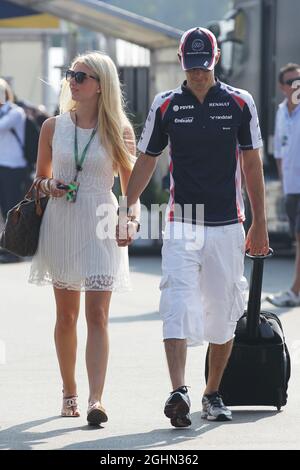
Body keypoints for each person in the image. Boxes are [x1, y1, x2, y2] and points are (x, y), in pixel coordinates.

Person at [118, 27, 269, 427]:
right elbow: (146, 159)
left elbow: (252, 164)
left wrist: (260, 226)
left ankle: (212, 391)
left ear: (215, 61)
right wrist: (124, 210)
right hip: (182, 223)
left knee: (222, 311)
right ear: (183, 64)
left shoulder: (240, 102)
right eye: (191, 66)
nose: (198, 73)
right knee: (176, 304)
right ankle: (178, 390)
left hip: (228, 225)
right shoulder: (166, 104)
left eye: (204, 66)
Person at [29, 51, 140, 425]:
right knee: (67, 315)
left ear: (100, 86)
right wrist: (50, 185)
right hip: (62, 222)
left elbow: (132, 190)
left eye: (81, 76)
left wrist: (132, 220)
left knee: (98, 314)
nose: (72, 82)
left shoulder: (120, 131)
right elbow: (38, 180)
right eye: (70, 75)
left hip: (101, 222)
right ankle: (69, 391)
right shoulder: (52, 126)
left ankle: (96, 399)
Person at [266, 63, 300, 307]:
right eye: (291, 82)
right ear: (282, 87)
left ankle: (295, 291)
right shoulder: (280, 111)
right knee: (297, 239)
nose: (296, 85)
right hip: (291, 186)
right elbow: (279, 149)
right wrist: (283, 177)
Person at [0, 78, 27, 263]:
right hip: (2, 166)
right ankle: (6, 246)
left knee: (12, 210)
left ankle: (16, 250)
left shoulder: (15, 112)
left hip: (14, 167)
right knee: (3, 209)